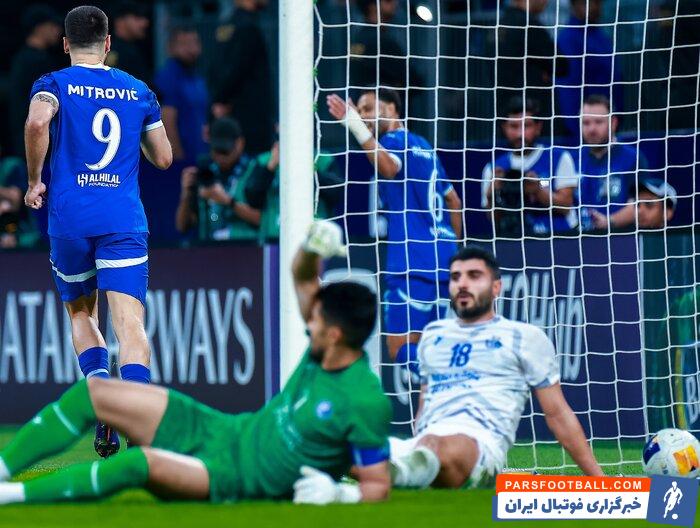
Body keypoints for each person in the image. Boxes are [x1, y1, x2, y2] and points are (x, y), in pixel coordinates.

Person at [0, 220, 392, 506]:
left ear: (335, 334)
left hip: (234, 476)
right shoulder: (321, 351)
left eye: (316, 321)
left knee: (135, 464)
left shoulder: (365, 400)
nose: (309, 324)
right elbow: (303, 277)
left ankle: (12, 496)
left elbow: (377, 485)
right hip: (226, 431)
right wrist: (311, 246)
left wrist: (340, 494)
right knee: (95, 393)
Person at [23, 6, 172, 458]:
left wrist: (34, 181)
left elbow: (36, 122)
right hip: (121, 218)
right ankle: (136, 418)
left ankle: (102, 392)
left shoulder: (53, 84)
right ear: (108, 44)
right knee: (130, 323)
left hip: (70, 219)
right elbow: (163, 158)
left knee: (82, 314)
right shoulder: (138, 90)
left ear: (65, 44)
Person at [389, 246, 604, 489]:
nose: (462, 284)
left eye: (474, 276)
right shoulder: (433, 334)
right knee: (360, 446)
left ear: (496, 287)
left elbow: (558, 415)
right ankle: (400, 473)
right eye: (456, 277)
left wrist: (600, 482)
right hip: (426, 442)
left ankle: (401, 472)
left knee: (431, 449)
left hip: (480, 447)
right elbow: (425, 405)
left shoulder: (523, 337)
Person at [326, 88, 463, 370]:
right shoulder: (424, 146)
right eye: (359, 111)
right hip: (444, 262)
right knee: (431, 346)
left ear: (392, 109)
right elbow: (454, 201)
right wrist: (453, 249)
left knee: (400, 347)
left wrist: (354, 126)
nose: (363, 116)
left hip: (411, 264)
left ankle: (449, 379)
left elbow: (388, 168)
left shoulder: (393, 141)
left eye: (368, 108)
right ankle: (442, 387)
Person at [481, 97, 578, 237]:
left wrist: (538, 190)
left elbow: (566, 205)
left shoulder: (559, 157)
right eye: (513, 126)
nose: (520, 134)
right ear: (504, 128)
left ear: (538, 127)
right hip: (516, 238)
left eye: (526, 126)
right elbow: (493, 219)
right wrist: (492, 195)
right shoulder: (493, 169)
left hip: (559, 236)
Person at [175, 117, 260, 241]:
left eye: (224, 150)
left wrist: (227, 201)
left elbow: (262, 220)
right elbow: (182, 226)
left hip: (247, 247)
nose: (220, 157)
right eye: (216, 150)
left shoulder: (255, 170)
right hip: (212, 249)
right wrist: (186, 195)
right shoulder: (206, 174)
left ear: (240, 143)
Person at [243, 139, 344, 241]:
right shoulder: (264, 160)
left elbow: (336, 194)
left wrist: (307, 167)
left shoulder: (322, 159)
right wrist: (270, 167)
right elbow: (252, 200)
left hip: (315, 237)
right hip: (274, 235)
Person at [209, 0, 273, 155]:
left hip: (231, 117)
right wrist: (221, 100)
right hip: (249, 122)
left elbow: (214, 68)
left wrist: (217, 101)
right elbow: (235, 69)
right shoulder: (247, 27)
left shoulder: (227, 25)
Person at [577, 94, 647, 231]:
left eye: (598, 122)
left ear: (613, 122)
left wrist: (609, 222)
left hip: (620, 237)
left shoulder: (632, 158)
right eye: (586, 123)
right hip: (576, 237)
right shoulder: (573, 158)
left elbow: (639, 204)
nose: (591, 129)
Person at [556, 0, 622, 141]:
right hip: (586, 132)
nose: (593, 7)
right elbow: (569, 89)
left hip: (609, 125)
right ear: (574, 5)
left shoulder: (601, 36)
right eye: (586, 3)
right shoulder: (569, 39)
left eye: (597, 3)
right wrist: (580, 131)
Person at [496, 0, 566, 130]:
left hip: (503, 114)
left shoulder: (498, 26)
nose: (546, 2)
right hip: (535, 116)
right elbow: (562, 66)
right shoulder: (528, 25)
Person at [8, 4, 63, 157]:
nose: (58, 31)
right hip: (36, 141)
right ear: (40, 28)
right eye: (53, 26)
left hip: (24, 137)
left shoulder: (21, 58)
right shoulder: (37, 61)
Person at [154, 25, 208, 165]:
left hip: (201, 155)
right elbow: (166, 120)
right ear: (171, 48)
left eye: (195, 43)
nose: (192, 49)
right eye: (185, 44)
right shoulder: (167, 79)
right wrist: (177, 159)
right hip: (181, 160)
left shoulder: (197, 77)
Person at [105, 1, 151, 86]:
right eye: (137, 17)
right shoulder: (110, 51)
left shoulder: (136, 49)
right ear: (120, 20)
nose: (145, 23)